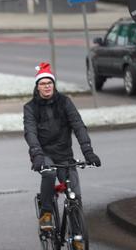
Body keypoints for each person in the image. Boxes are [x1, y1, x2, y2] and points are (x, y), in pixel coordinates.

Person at [23, 63, 101, 233]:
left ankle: (78, 236)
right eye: (43, 84)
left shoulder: (65, 102)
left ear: (54, 85)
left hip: (65, 153)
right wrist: (36, 154)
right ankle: (46, 213)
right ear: (37, 87)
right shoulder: (30, 108)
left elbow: (78, 126)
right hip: (43, 154)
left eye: (49, 83)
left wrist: (88, 151)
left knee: (75, 197)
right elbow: (30, 133)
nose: (47, 86)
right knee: (49, 172)